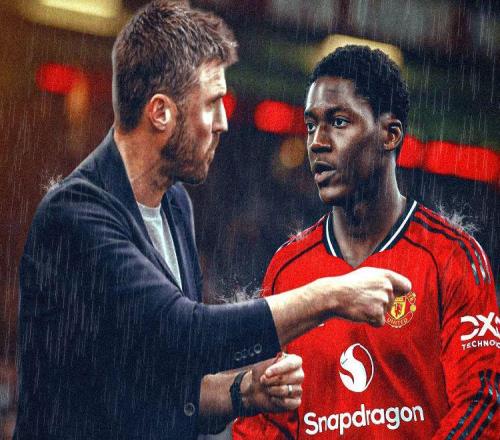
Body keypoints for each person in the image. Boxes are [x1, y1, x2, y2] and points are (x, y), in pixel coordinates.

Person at [14, 3, 413, 439]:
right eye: (212, 103)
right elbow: (184, 335)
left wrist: (245, 391)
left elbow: (160, 383)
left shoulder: (175, 205)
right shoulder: (76, 215)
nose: (223, 122)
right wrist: (331, 294)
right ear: (161, 112)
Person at [233, 45, 499, 439]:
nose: (317, 142)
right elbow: (263, 424)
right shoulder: (287, 270)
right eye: (311, 125)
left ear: (390, 134)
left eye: (338, 122)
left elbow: (483, 403)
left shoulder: (453, 258)